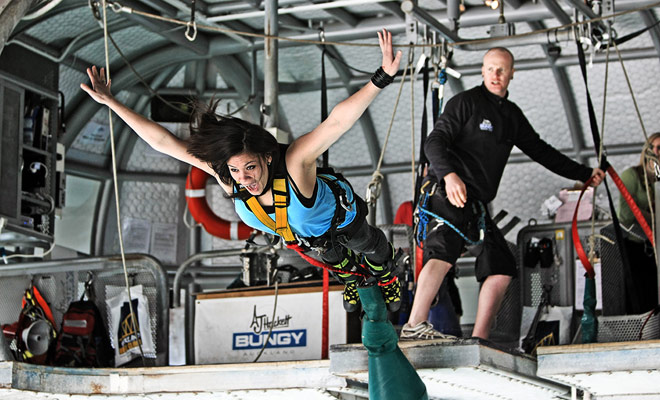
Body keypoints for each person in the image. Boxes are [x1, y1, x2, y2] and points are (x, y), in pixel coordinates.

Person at [81, 29, 403, 313]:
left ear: (266, 158)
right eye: (235, 170)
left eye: (250, 167)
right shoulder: (229, 176)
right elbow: (164, 142)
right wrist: (111, 102)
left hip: (341, 220)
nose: (243, 178)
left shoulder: (294, 164)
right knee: (337, 261)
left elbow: (337, 121)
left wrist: (382, 78)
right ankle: (351, 277)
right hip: (310, 239)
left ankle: (387, 276)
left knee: (371, 249)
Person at [400, 47, 606, 341]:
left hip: (475, 205)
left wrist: (584, 174)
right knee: (443, 253)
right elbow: (434, 142)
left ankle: (480, 340)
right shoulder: (465, 103)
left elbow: (540, 151)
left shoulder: (511, 116)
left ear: (512, 73)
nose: (496, 75)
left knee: (502, 266)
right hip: (448, 192)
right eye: (490, 69)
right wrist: (450, 177)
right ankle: (414, 325)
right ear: (482, 71)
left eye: (502, 70)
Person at [616, 132, 660, 313]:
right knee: (641, 299)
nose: (658, 153)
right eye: (655, 148)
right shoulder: (632, 175)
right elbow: (626, 214)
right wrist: (653, 218)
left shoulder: (657, 179)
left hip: (656, 249)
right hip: (636, 248)